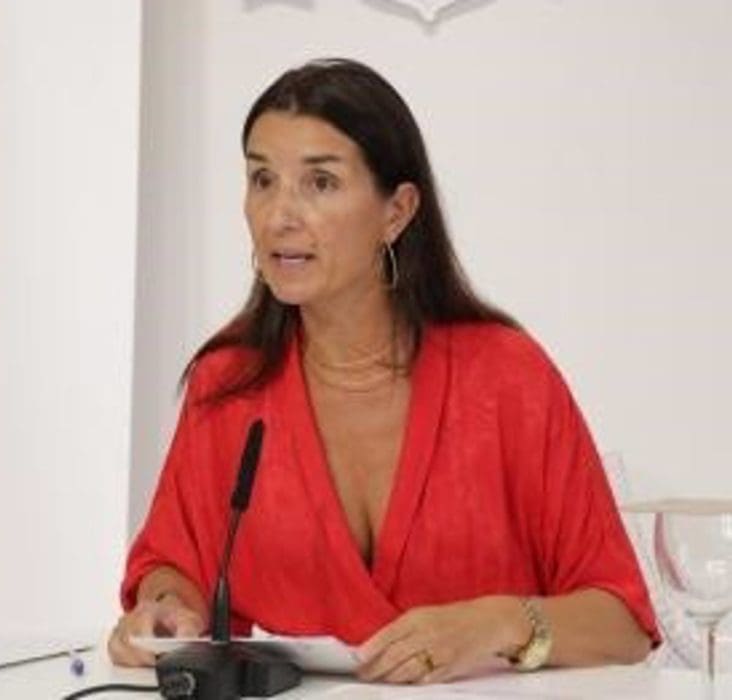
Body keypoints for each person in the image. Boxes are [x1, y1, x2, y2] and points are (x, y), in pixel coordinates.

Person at [110, 58, 658, 684]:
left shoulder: (508, 379)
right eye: (262, 179)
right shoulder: (229, 381)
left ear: (396, 211)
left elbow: (622, 624)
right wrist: (166, 610)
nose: (278, 215)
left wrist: (498, 623)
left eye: (320, 183)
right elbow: (175, 567)